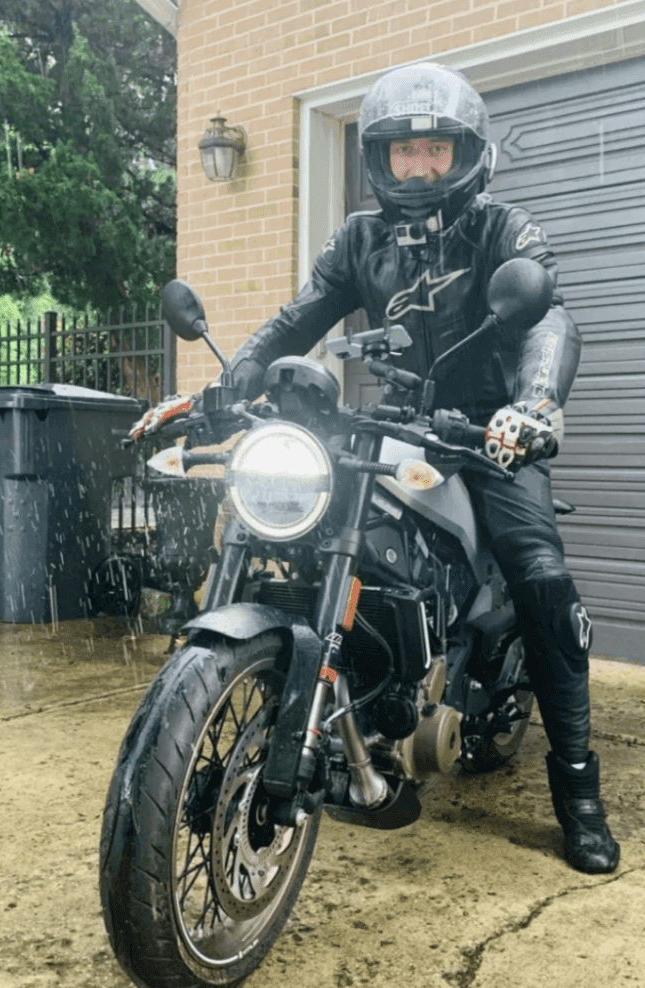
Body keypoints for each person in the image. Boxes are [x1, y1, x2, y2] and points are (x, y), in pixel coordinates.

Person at [135, 63, 619, 874]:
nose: (420, 168)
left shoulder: (507, 232)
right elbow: (298, 319)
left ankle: (578, 793)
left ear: (466, 154)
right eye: (404, 153)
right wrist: (225, 386)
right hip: (395, 428)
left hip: (488, 438)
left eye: (436, 149)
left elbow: (551, 320)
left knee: (541, 580)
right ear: (382, 161)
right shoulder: (359, 240)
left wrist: (533, 407)